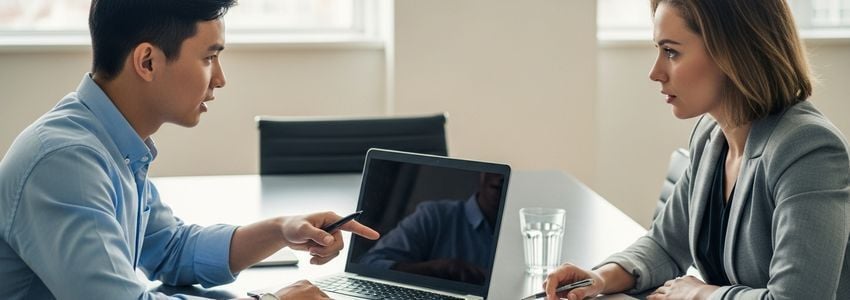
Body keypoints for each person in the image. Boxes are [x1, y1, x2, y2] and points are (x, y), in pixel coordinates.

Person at [0, 1, 379, 299]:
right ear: (147, 61)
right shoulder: (67, 163)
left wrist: (281, 230)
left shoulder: (110, 144)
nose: (220, 78)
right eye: (209, 57)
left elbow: (171, 250)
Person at [544, 0, 850, 299]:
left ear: (733, 51)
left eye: (671, 52)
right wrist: (599, 278)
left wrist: (701, 293)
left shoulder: (809, 150)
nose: (655, 72)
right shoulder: (711, 136)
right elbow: (665, 244)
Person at [358, 173, 504, 284]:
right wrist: (436, 270)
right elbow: (369, 264)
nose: (499, 179)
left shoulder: (524, 226)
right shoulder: (434, 216)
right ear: (481, 176)